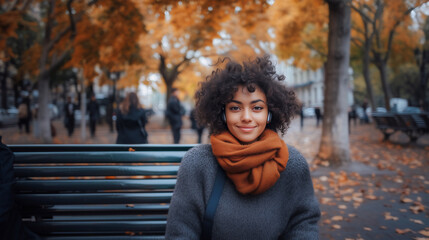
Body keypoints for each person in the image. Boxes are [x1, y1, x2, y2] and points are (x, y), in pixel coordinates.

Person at [165, 56, 320, 239]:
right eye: (235, 108)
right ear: (222, 114)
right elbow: (181, 232)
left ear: (270, 113)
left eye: (257, 108)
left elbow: (303, 224)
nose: (246, 117)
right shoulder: (198, 163)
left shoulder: (292, 163)